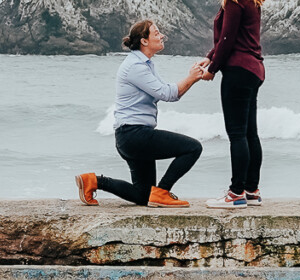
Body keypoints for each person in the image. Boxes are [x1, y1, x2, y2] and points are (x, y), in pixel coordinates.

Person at [78, 19, 209, 207]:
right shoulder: (136, 67)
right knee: (193, 148)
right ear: (144, 41)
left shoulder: (145, 64)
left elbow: (166, 90)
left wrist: (190, 78)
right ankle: (163, 192)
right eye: (156, 33)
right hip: (134, 135)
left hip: (130, 136)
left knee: (142, 195)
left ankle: (93, 181)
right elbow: (168, 93)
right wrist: (192, 78)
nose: (162, 35)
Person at [202, 0, 266, 207]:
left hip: (237, 71)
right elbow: (233, 39)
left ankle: (235, 193)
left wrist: (213, 69)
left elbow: (227, 40)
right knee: (251, 133)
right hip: (254, 69)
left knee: (237, 134)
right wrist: (209, 58)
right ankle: (252, 190)